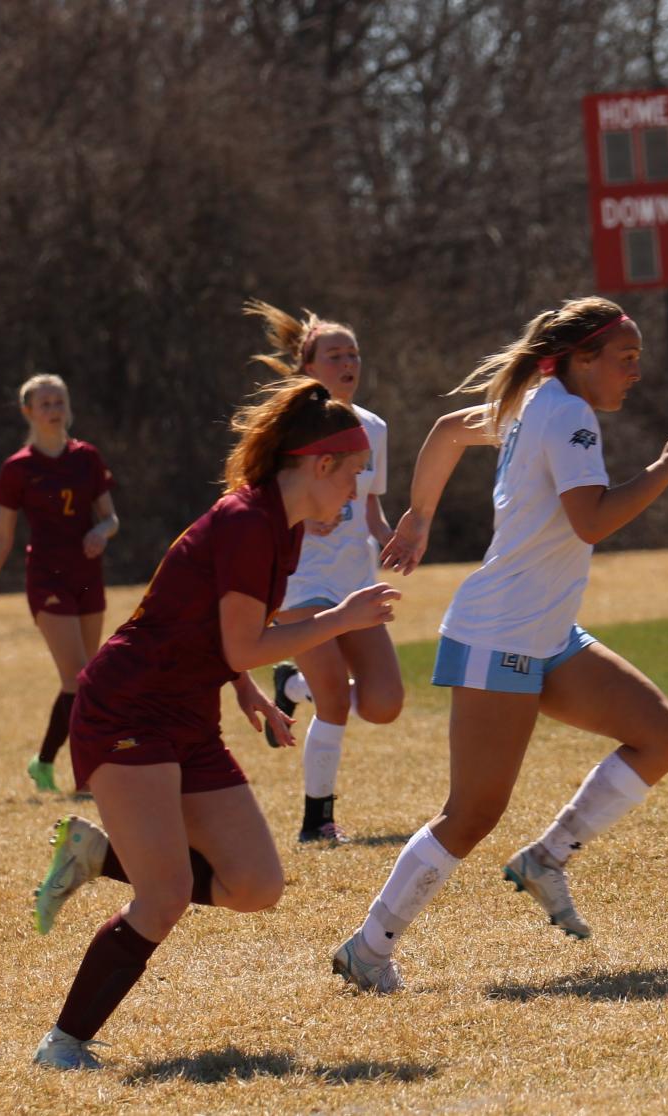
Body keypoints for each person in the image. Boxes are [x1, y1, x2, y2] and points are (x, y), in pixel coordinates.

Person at [328, 296, 668, 994]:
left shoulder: (540, 400)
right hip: (500, 634)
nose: (634, 372)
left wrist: (419, 517)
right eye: (624, 359)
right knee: (473, 812)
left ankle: (547, 859)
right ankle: (368, 947)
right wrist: (665, 468)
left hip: (543, 635)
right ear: (581, 359)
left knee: (659, 736)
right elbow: (591, 520)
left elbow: (449, 431)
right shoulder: (565, 411)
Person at [30, 378, 400, 1070]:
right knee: (164, 895)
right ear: (319, 465)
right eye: (352, 473)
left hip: (186, 714)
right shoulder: (245, 522)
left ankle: (98, 856)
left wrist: (247, 688)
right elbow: (240, 641)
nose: (355, 491)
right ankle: (63, 1044)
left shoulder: (278, 529)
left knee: (255, 885)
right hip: (127, 707)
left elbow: (219, 631)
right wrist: (340, 618)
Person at [244, 300, 401, 845]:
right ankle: (318, 821)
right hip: (301, 583)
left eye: (353, 352)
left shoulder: (373, 428)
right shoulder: (287, 431)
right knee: (335, 696)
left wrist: (392, 537)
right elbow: (260, 499)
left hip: (355, 580)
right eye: (335, 354)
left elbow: (371, 510)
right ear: (308, 367)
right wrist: (304, 517)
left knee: (385, 704)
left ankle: (292, 682)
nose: (347, 361)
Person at [0, 375, 119, 794]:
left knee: (86, 681)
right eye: (45, 403)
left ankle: (45, 762)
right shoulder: (18, 469)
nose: (53, 409)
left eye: (59, 402)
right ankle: (86, 779)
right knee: (77, 677)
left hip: (87, 575)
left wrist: (100, 532)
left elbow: (110, 517)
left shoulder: (87, 457)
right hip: (47, 579)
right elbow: (3, 536)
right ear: (28, 412)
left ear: (68, 408)